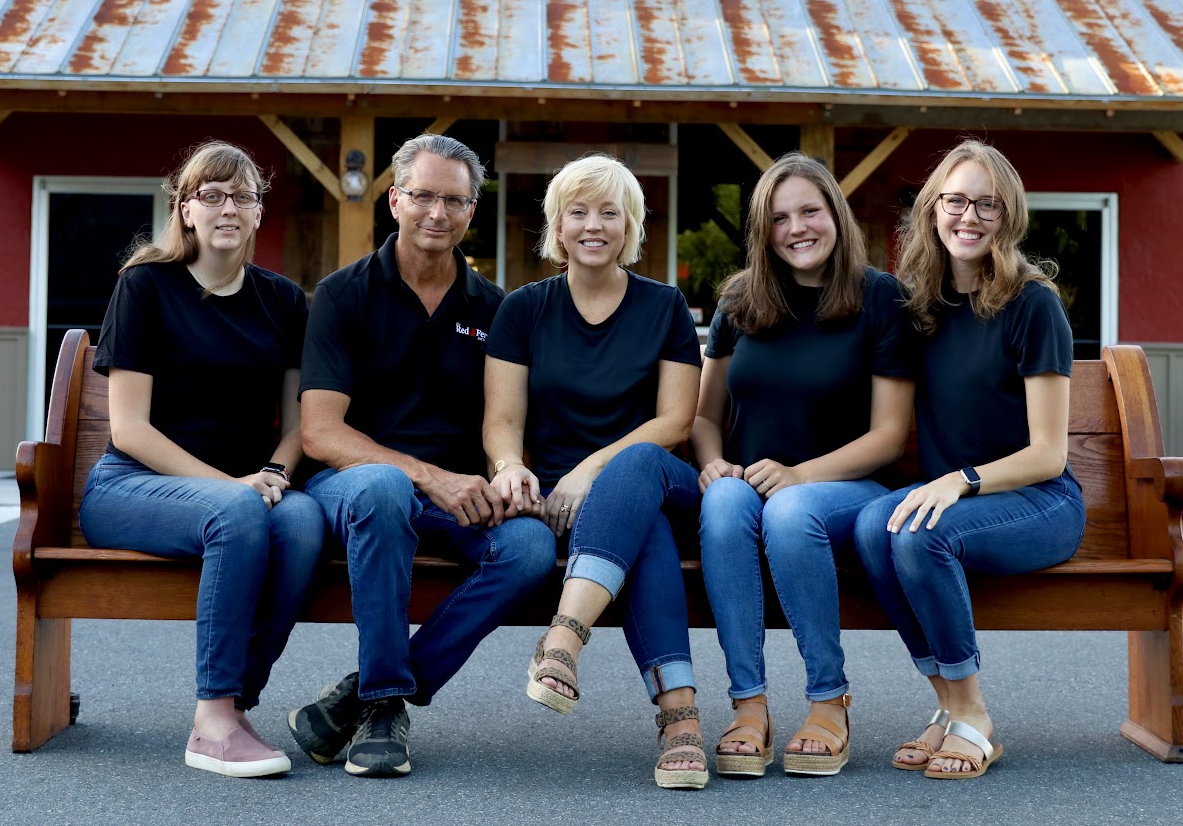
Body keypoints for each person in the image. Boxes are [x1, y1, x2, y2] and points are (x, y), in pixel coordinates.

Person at [290, 133, 556, 779]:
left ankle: (374, 688)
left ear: (471, 212)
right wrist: (428, 476)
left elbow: (505, 419)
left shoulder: (497, 309)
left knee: (530, 550)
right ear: (394, 200)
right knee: (382, 488)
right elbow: (320, 433)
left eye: (454, 201)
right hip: (352, 485)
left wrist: (502, 474)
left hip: (455, 495)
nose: (437, 213)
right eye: (423, 196)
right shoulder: (342, 294)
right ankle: (383, 707)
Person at [78, 141, 323, 778]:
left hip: (245, 489)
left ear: (260, 213)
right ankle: (211, 722)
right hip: (133, 487)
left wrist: (273, 473)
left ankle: (238, 701)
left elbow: (301, 423)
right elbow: (130, 430)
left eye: (243, 196)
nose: (227, 208)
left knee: (302, 523)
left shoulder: (282, 301)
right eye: (211, 195)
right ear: (186, 210)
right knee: (242, 514)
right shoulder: (146, 285)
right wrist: (235, 488)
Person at [855, 139, 1084, 780]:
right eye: (956, 200)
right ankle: (946, 708)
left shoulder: (1032, 305)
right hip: (957, 497)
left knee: (919, 534)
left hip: (1039, 501)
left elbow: (1048, 453)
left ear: (1007, 218)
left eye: (988, 205)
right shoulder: (919, 306)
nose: (970, 217)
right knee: (875, 526)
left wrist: (961, 481)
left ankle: (973, 713)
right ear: (932, 210)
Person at [481, 154, 708, 790]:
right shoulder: (523, 311)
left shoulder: (665, 307)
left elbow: (675, 424)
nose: (593, 225)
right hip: (560, 503)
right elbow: (502, 419)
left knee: (637, 463)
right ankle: (680, 719)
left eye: (610, 213)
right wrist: (509, 466)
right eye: (577, 212)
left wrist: (586, 471)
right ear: (556, 226)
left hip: (657, 482)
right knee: (648, 542)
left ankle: (565, 636)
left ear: (631, 227)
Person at [693, 153, 914, 779]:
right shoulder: (741, 300)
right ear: (764, 231)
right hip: (752, 484)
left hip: (848, 490)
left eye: (810, 211)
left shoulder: (880, 298)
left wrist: (800, 475)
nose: (797, 228)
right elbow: (707, 417)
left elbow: (890, 435)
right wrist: (712, 465)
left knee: (789, 511)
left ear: (836, 216)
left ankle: (827, 702)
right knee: (723, 502)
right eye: (780, 217)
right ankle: (749, 706)